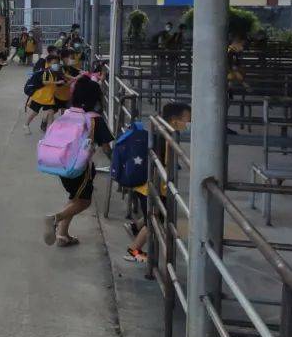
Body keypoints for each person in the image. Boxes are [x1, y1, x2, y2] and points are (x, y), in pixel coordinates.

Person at [42, 77, 114, 247]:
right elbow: (106, 148)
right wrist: (115, 162)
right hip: (80, 168)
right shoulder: (95, 119)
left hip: (62, 164)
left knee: (75, 198)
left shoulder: (69, 113)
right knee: (84, 201)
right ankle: (55, 219)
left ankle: (62, 235)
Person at [125, 103, 191, 262]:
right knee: (154, 221)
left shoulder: (158, 133)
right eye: (188, 120)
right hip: (153, 188)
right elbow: (166, 165)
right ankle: (133, 252)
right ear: (175, 121)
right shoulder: (167, 138)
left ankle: (134, 227)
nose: (189, 125)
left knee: (152, 215)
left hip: (145, 186)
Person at [24, 54, 65, 134]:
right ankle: (26, 125)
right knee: (35, 112)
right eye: (54, 63)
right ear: (48, 63)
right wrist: (56, 82)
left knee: (50, 112)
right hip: (40, 97)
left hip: (48, 98)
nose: (56, 65)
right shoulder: (46, 72)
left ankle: (49, 130)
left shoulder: (55, 73)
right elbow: (44, 82)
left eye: (57, 63)